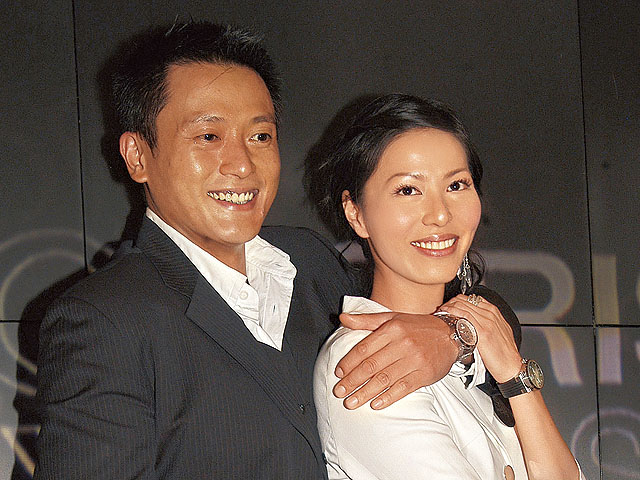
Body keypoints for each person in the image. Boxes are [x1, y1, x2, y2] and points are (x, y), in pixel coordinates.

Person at [34, 23, 467, 479]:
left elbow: (453, 308)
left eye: (260, 137)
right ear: (137, 156)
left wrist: (454, 334)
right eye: (208, 137)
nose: (242, 164)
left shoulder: (309, 260)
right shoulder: (104, 320)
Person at [306, 94, 586, 479]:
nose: (440, 214)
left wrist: (513, 373)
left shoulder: (477, 349)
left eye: (456, 185)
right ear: (356, 214)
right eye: (408, 190)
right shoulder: (367, 359)